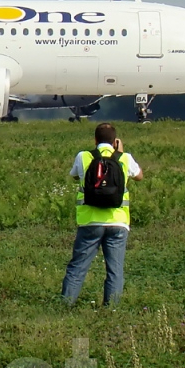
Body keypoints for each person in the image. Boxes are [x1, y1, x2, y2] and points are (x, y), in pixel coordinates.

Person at [61, 122, 143, 306]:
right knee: (115, 270)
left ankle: (65, 305)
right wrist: (120, 152)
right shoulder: (125, 158)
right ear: (115, 141)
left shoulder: (83, 156)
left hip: (90, 221)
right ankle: (111, 309)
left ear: (95, 139)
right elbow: (139, 176)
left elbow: (75, 175)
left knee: (78, 267)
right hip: (118, 222)